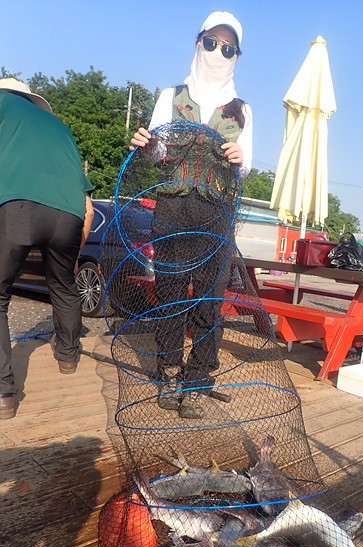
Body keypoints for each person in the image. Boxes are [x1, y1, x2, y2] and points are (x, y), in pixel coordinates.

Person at [130, 11, 252, 419]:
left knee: (208, 300)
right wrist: (147, 145)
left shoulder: (242, 110)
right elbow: (157, 153)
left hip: (216, 215)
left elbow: (245, 167)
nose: (218, 53)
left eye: (228, 48)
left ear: (237, 56)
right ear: (199, 42)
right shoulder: (171, 96)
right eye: (212, 43)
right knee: (169, 295)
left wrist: (240, 157)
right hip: (173, 210)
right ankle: (169, 371)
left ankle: (198, 380)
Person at [0, 78, 95, 420]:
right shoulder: (60, 128)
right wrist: (74, 253)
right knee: (64, 284)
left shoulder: (1, 104)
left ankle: (4, 394)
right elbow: (88, 209)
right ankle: (68, 357)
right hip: (68, 216)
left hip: (18, 207)